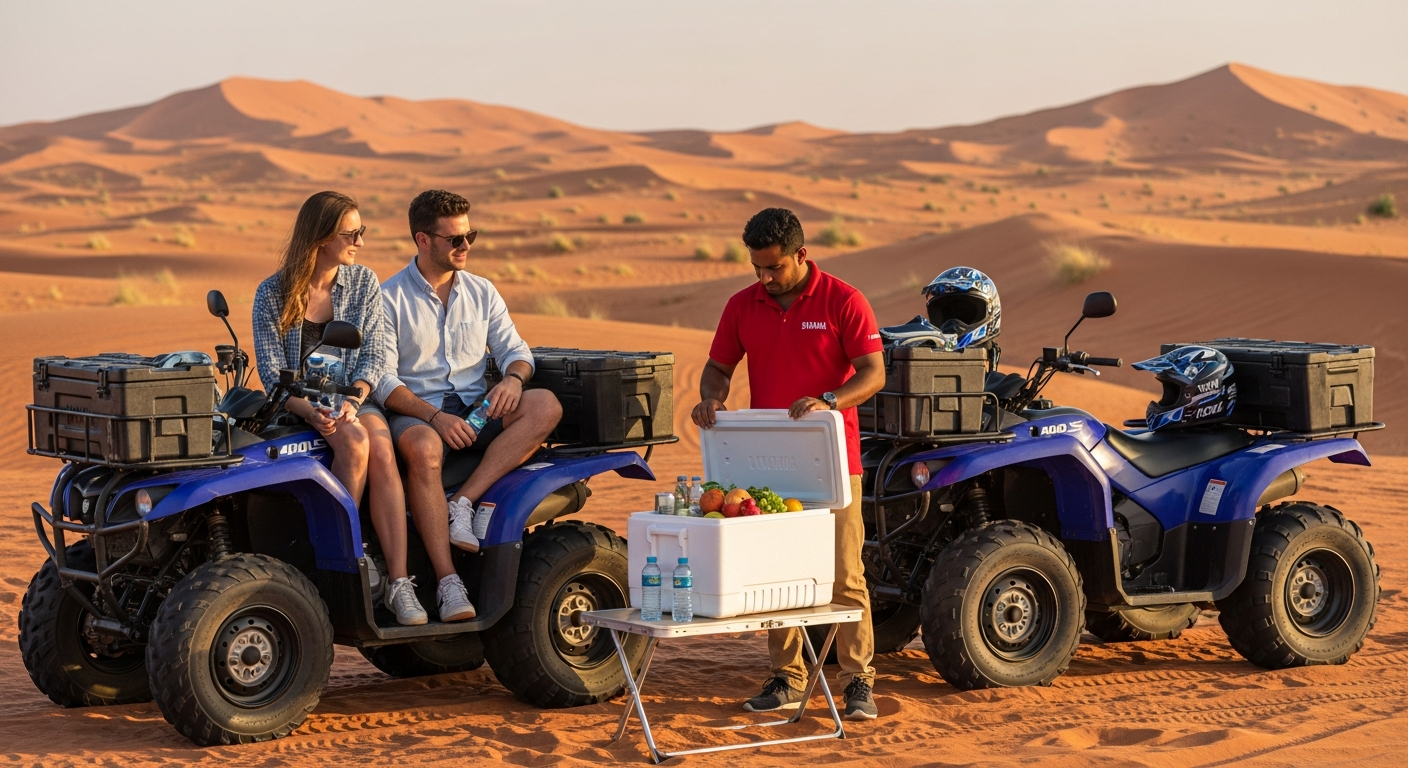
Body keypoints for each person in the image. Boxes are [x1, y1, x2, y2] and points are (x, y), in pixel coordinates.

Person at [691, 207, 886, 720]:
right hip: (766, 460)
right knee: (775, 570)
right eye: (757, 268)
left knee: (846, 573)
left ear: (801, 255)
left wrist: (831, 399)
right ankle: (788, 677)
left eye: (774, 267)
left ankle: (858, 679)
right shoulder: (742, 306)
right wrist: (712, 398)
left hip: (834, 459)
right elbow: (717, 368)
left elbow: (872, 373)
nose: (765, 278)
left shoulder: (844, 300)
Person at [374, 189, 563, 623]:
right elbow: (385, 382)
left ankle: (463, 500)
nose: (465, 246)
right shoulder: (389, 299)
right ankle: (447, 581)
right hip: (418, 411)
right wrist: (435, 417)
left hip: (478, 410)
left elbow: (516, 349)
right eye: (454, 239)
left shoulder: (482, 291)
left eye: (470, 235)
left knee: (545, 406)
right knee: (423, 448)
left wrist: (514, 379)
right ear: (423, 241)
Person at [253, 191, 427, 626]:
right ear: (322, 236)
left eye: (361, 232)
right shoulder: (272, 293)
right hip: (293, 405)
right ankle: (345, 557)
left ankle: (400, 582)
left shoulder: (364, 283)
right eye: (353, 233)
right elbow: (272, 370)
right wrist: (309, 410)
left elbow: (374, 356)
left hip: (351, 398)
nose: (360, 242)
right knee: (354, 442)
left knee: (380, 447)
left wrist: (353, 398)